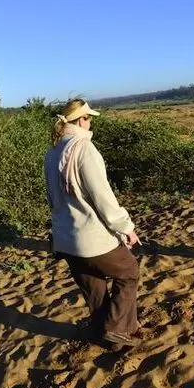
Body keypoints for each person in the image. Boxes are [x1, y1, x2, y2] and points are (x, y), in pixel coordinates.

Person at [44, 99, 141, 347]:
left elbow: (52, 198)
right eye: (89, 118)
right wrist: (126, 228)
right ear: (81, 120)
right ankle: (117, 328)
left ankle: (104, 331)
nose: (91, 123)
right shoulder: (85, 149)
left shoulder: (51, 153)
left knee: (94, 287)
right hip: (90, 237)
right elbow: (103, 197)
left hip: (65, 239)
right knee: (129, 272)